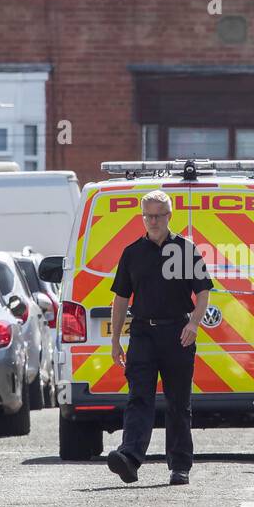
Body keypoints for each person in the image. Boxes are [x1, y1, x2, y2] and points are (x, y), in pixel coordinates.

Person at [105, 190, 213, 486]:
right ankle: (129, 457)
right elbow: (121, 298)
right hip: (142, 332)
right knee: (139, 397)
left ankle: (180, 466)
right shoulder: (132, 252)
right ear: (142, 217)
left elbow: (203, 290)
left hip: (178, 332)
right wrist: (115, 340)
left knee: (178, 402)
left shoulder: (185, 249)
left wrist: (194, 323)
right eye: (148, 215)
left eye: (159, 215)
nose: (153, 220)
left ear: (169, 216)